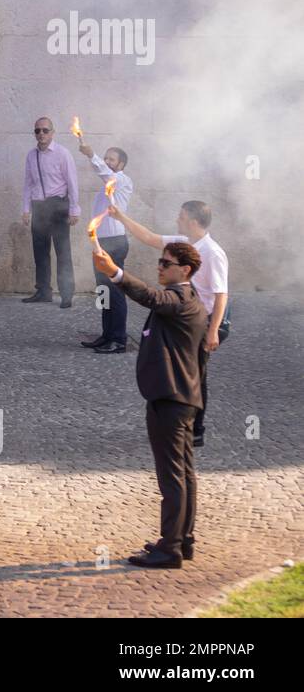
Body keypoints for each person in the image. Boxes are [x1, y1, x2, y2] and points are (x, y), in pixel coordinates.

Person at [91, 241, 206, 568]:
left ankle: (169, 548)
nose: (159, 267)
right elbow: (202, 360)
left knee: (172, 477)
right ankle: (182, 540)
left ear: (184, 270)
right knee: (184, 475)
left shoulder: (180, 298)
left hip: (170, 399)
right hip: (184, 398)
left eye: (165, 263)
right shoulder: (194, 302)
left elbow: (152, 297)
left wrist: (114, 272)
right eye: (159, 261)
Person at [108, 201, 228, 448]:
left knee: (197, 375)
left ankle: (196, 430)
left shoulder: (212, 252)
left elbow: (221, 294)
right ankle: (175, 420)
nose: (177, 219)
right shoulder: (184, 244)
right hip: (181, 318)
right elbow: (150, 238)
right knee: (178, 369)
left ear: (194, 222)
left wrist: (213, 330)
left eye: (181, 216)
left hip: (202, 322)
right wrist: (121, 217)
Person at [77, 140, 134, 354]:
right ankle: (106, 334)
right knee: (103, 292)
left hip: (115, 243)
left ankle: (119, 339)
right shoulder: (107, 184)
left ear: (121, 165)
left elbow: (105, 174)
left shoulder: (121, 180)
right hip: (101, 244)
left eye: (112, 159)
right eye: (106, 157)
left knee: (115, 292)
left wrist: (92, 155)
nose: (107, 161)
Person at [21, 117, 80, 308]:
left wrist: (74, 209)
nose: (41, 134)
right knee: (40, 252)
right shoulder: (31, 155)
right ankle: (43, 291)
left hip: (58, 206)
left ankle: (66, 293)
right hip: (39, 207)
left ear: (52, 133)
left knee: (63, 251)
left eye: (45, 130)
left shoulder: (63, 153)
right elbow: (28, 184)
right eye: (37, 130)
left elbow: (72, 183)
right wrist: (26, 209)